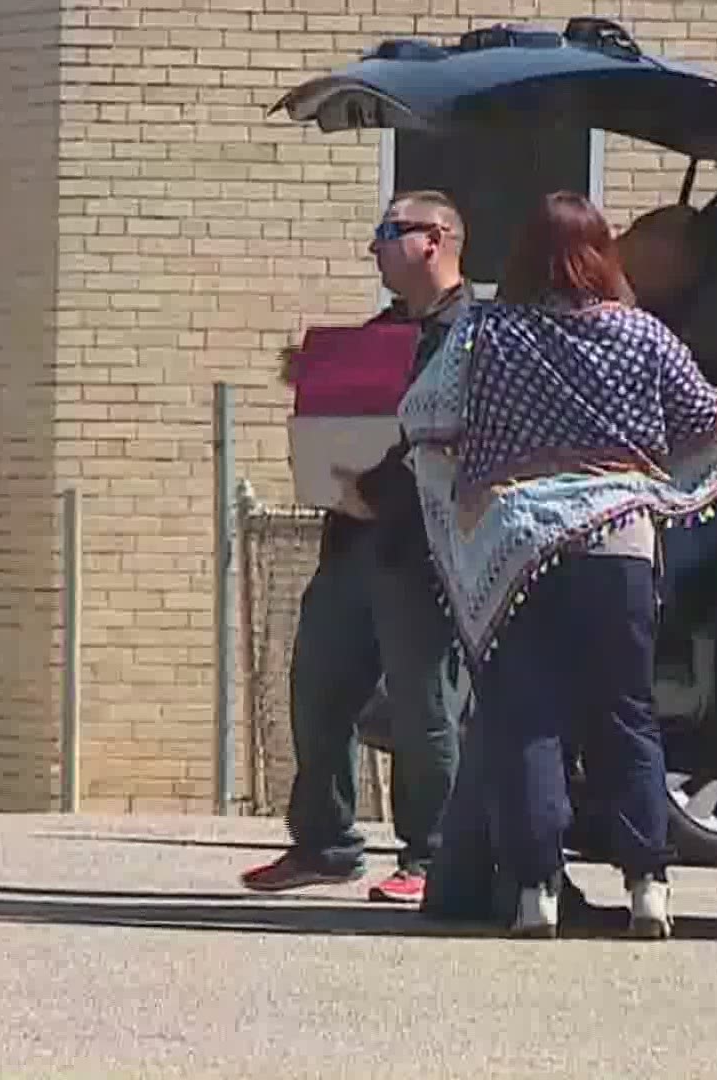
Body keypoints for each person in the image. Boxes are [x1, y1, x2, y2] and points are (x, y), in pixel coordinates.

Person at [398, 191, 717, 938]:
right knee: (627, 717)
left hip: (520, 551)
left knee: (529, 723)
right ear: (604, 254)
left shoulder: (485, 332)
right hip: (619, 546)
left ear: (524, 255)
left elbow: (423, 417)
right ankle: (649, 884)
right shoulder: (641, 334)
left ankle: (536, 893)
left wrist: (467, 481)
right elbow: (708, 422)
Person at [242, 190, 468, 905]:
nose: (373, 247)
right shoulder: (380, 333)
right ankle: (325, 844)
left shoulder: (473, 334)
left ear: (434, 240)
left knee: (422, 703)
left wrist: (384, 487)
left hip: (418, 546)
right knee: (317, 686)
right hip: (350, 540)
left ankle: (433, 856)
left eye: (387, 233)